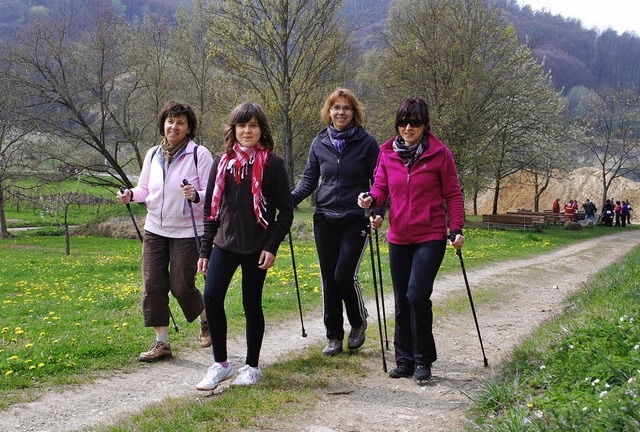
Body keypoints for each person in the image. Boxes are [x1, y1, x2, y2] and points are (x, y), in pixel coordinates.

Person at [358, 96, 464, 384]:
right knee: (402, 301)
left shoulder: (441, 155)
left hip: (430, 235)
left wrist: (456, 228)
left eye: (414, 123)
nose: (407, 128)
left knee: (417, 295)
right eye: (403, 122)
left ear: (425, 124)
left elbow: (453, 194)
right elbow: (380, 187)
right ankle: (403, 359)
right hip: (398, 237)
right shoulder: (387, 153)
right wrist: (371, 199)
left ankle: (423, 360)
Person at [195, 102, 293, 390]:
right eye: (242, 125)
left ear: (261, 130)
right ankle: (221, 364)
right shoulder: (221, 162)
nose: (247, 131)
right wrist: (204, 250)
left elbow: (285, 211)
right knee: (211, 297)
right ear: (233, 129)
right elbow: (211, 211)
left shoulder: (273, 165)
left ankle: (252, 366)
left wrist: (272, 246)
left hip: (257, 248)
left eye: (252, 125)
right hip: (224, 244)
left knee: (251, 304)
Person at [117, 100, 214, 362]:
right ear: (163, 124)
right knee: (152, 285)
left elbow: (213, 194)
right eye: (170, 121)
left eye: (180, 122)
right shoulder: (152, 154)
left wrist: (196, 195)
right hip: (155, 230)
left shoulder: (199, 154)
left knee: (182, 286)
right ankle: (162, 343)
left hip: (186, 231)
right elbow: (145, 190)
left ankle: (206, 321)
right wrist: (130, 195)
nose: (174, 126)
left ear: (188, 127)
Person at [291, 88, 382, 357]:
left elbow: (380, 183)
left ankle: (358, 321)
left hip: (356, 218)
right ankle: (333, 336)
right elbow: (309, 180)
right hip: (324, 218)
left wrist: (378, 210)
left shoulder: (367, 143)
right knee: (329, 279)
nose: (341, 112)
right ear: (328, 112)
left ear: (354, 113)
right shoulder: (319, 142)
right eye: (336, 108)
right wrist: (289, 200)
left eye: (346, 108)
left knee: (344, 275)